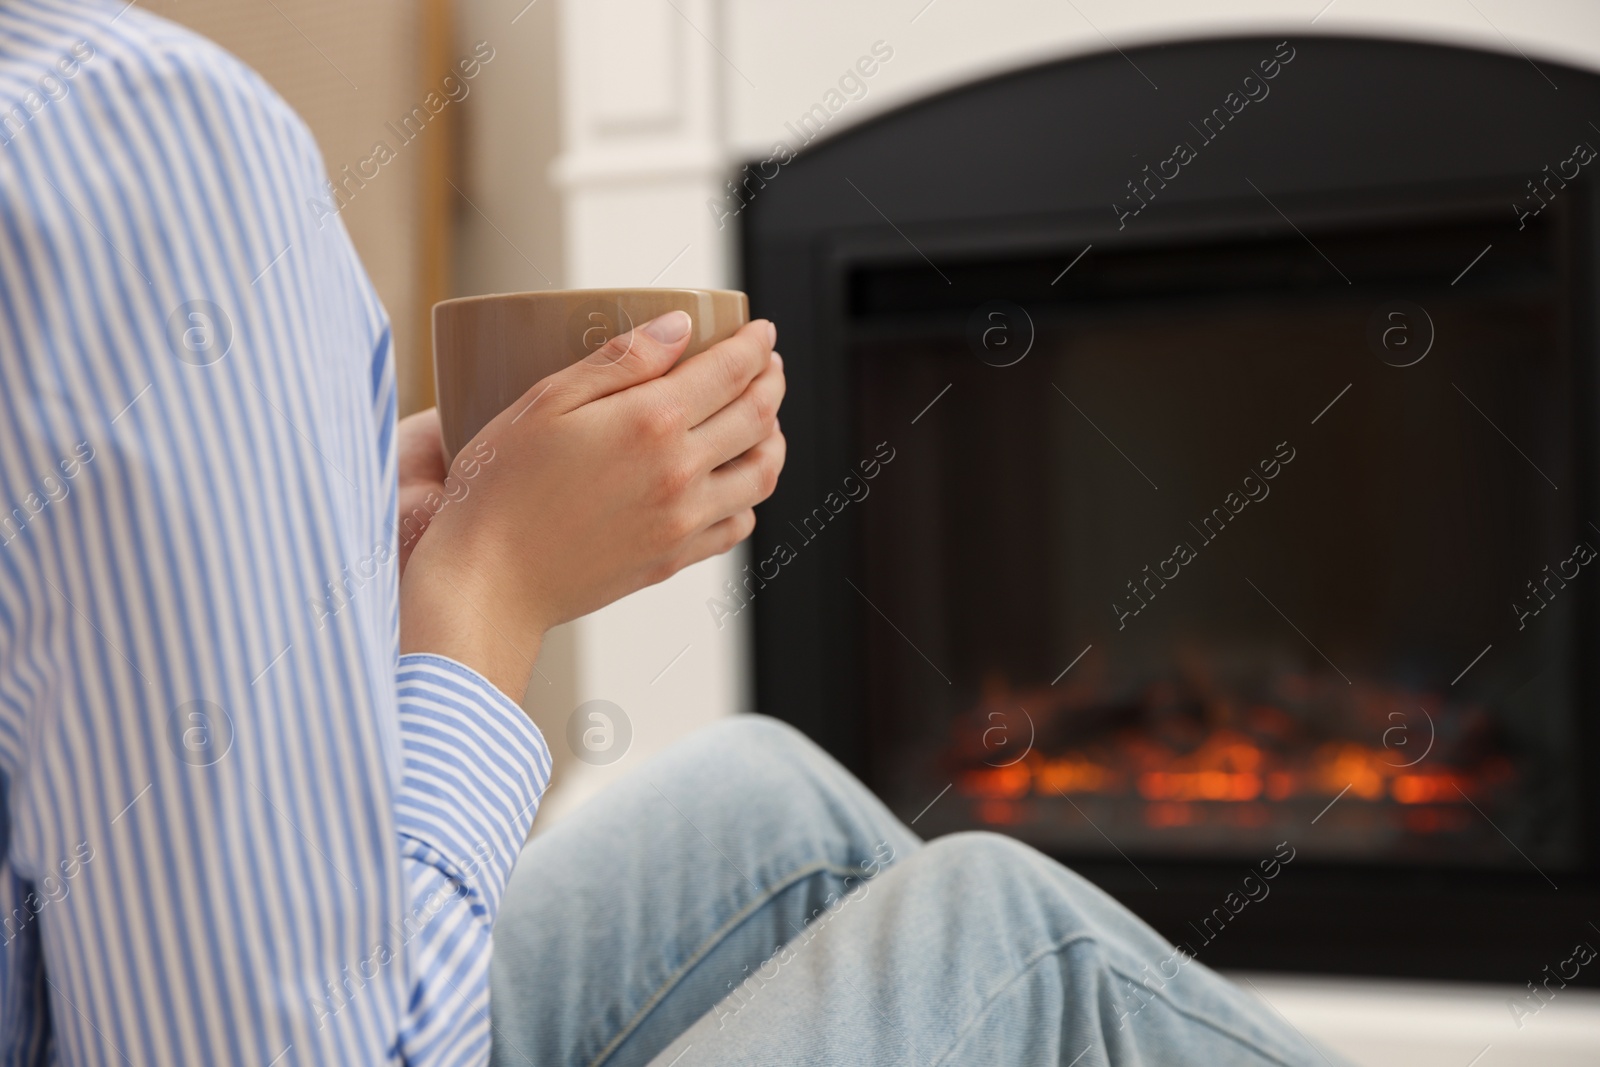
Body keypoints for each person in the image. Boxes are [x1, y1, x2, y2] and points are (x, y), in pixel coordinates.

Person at [0, 3, 1344, 1064]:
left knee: (771, 812)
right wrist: (489, 588)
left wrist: (328, 540)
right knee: (1005, 937)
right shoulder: (129, 135)